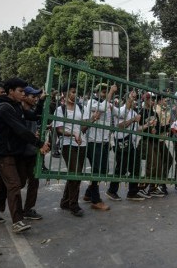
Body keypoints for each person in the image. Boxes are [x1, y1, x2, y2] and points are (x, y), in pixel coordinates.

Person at [0, 78, 49, 233]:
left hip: (13, 152)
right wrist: (39, 143)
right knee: (14, 184)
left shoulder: (16, 107)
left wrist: (41, 101)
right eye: (20, 91)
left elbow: (33, 116)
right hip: (4, 153)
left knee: (5, 182)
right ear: (11, 91)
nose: (23, 94)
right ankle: (17, 221)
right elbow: (20, 129)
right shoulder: (6, 108)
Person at [55, 83, 94, 217]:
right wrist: (73, 134)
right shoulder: (60, 109)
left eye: (75, 92)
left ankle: (65, 201)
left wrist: (92, 121)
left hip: (81, 145)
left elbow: (82, 128)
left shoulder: (79, 107)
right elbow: (59, 129)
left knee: (74, 173)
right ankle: (74, 205)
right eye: (72, 92)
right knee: (75, 174)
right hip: (68, 144)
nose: (74, 94)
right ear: (64, 94)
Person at [82, 83, 117, 211]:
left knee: (104, 170)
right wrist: (111, 93)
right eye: (103, 92)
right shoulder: (92, 102)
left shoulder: (108, 104)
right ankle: (95, 200)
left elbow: (119, 113)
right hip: (93, 141)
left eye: (106, 92)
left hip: (104, 141)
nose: (105, 94)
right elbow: (101, 108)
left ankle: (88, 193)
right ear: (97, 92)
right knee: (96, 171)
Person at [106, 90, 145, 201]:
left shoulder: (133, 112)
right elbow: (120, 126)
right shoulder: (121, 111)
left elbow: (136, 129)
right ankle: (111, 191)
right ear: (127, 99)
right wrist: (133, 120)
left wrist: (147, 125)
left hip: (131, 144)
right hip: (121, 143)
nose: (134, 101)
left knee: (136, 167)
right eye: (132, 98)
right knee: (121, 169)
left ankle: (132, 192)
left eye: (135, 98)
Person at [137, 92, 170, 198]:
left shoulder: (154, 113)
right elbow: (138, 128)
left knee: (159, 165)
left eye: (154, 99)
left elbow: (159, 127)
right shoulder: (142, 112)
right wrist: (148, 127)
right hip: (147, 140)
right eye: (151, 99)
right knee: (152, 165)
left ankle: (153, 188)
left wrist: (164, 127)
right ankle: (141, 188)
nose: (153, 101)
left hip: (155, 140)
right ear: (145, 100)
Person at [21, 86, 46, 220]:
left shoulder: (31, 111)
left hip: (31, 152)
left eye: (37, 97)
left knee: (34, 181)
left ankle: (28, 209)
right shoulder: (19, 111)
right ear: (24, 97)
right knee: (17, 183)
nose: (36, 99)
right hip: (20, 153)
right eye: (33, 96)